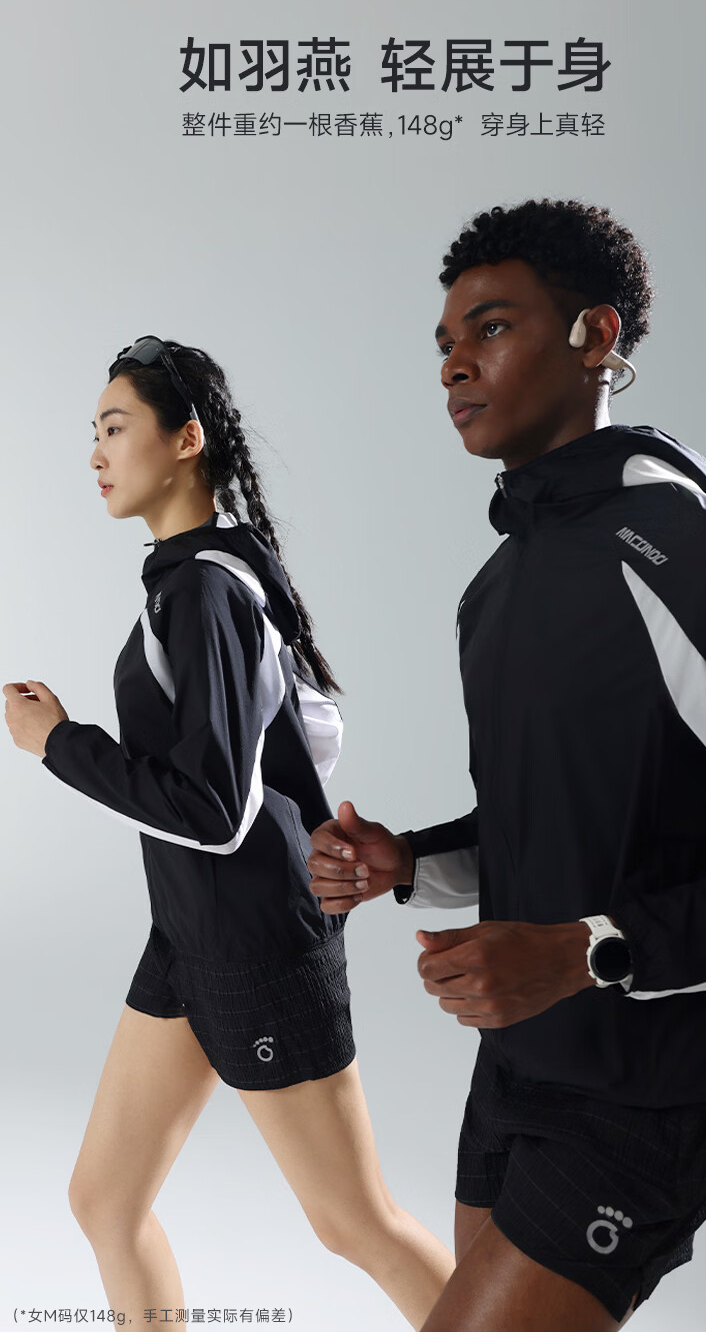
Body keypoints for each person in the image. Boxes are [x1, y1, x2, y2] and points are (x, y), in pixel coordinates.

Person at [307, 199, 706, 1330]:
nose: (453, 365)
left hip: (655, 1085)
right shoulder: (495, 590)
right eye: (444, 343)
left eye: (490, 328)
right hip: (517, 1062)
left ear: (595, 335)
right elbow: (548, 824)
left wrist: (589, 953)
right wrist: (404, 863)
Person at [3, 336, 454, 1333]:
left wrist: (58, 743)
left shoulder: (206, 586)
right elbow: (301, 739)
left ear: (186, 440)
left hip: (254, 941)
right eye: (92, 433)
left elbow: (214, 808)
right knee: (104, 1200)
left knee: (355, 1223)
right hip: (191, 930)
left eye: (114, 427)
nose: (95, 453)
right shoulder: (203, 572)